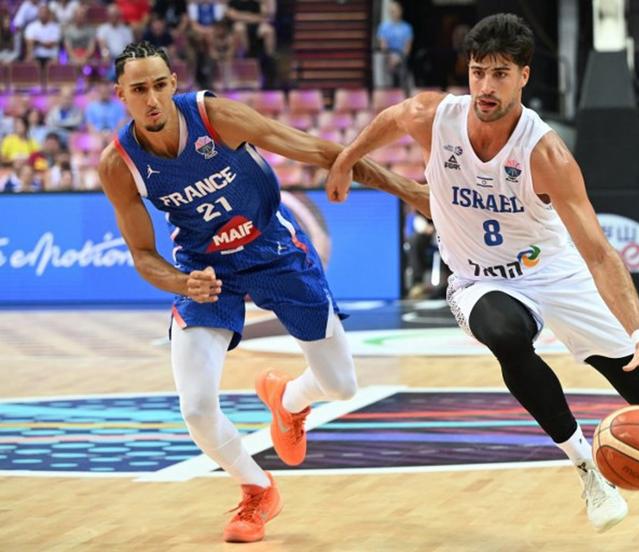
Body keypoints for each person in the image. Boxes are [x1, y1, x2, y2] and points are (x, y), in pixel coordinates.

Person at [327, 14, 639, 548]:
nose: (485, 87)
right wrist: (346, 159)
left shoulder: (546, 154)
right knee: (506, 335)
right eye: (477, 72)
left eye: (498, 73)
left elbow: (600, 254)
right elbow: (391, 117)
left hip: (553, 271)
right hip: (477, 278)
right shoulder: (435, 116)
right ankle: (586, 469)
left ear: (523, 75)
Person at [97, 41, 427, 543]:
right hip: (206, 271)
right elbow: (143, 255)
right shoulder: (118, 165)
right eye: (139, 89)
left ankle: (289, 399)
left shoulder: (217, 117)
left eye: (160, 85)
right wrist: (183, 282)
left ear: (174, 83)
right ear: (121, 95)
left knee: (341, 387)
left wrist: (409, 191)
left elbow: (318, 150)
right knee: (196, 408)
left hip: (274, 249)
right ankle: (256, 490)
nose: (153, 99)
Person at [376, 0, 413, 89]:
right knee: (388, 85)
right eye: (392, 11)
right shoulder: (384, 27)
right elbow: (383, 44)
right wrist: (390, 58)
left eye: (396, 10)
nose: (394, 13)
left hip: (402, 59)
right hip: (388, 59)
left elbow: (408, 46)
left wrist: (399, 58)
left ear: (400, 11)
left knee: (403, 84)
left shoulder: (406, 27)